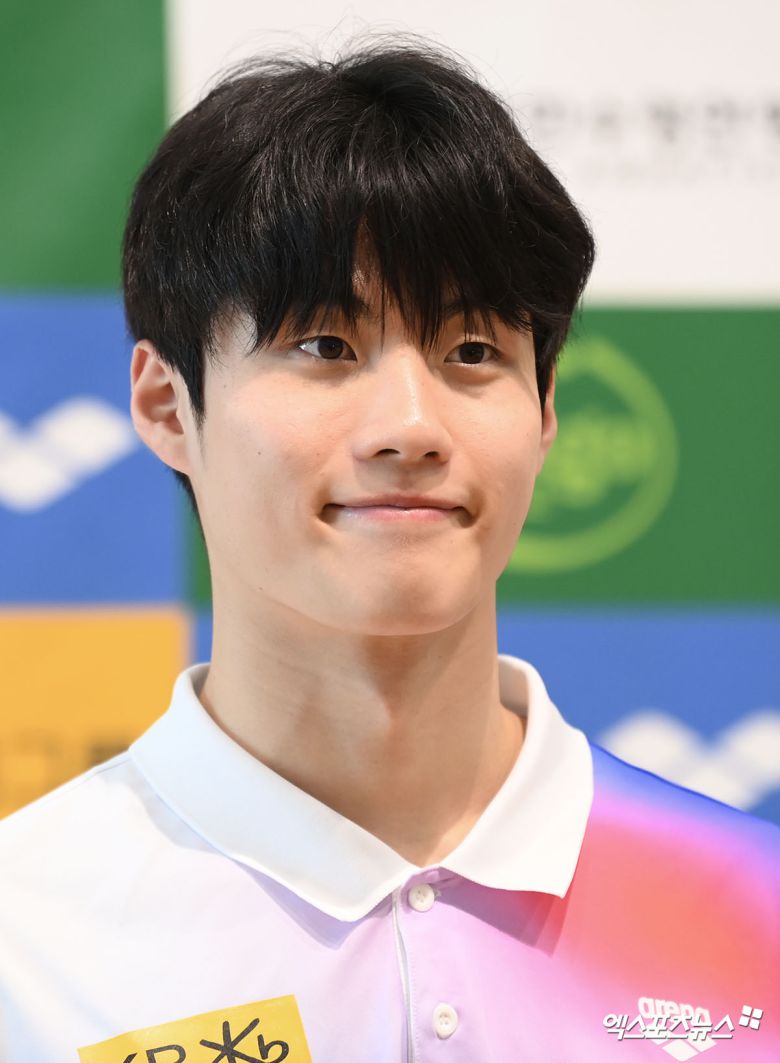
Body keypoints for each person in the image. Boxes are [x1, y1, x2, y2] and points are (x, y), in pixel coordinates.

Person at [1, 34, 778, 1063]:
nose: (411, 426)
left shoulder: (755, 904)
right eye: (325, 346)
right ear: (167, 405)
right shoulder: (26, 935)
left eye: (472, 351)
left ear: (545, 408)